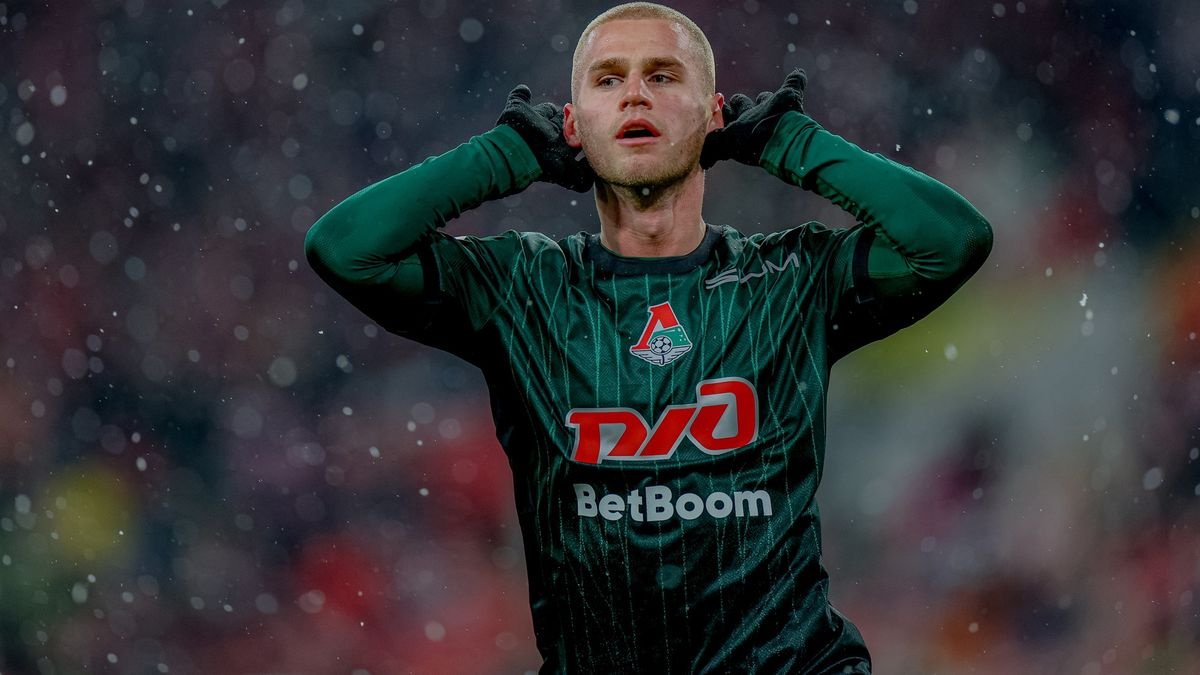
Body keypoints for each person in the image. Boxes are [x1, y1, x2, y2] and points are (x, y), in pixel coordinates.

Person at [305, 2, 993, 672]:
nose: (635, 93)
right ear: (573, 124)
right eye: (608, 80)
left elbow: (952, 239)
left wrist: (790, 143)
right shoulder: (521, 288)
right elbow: (345, 249)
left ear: (713, 115)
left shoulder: (792, 279)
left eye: (663, 75)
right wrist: (505, 154)